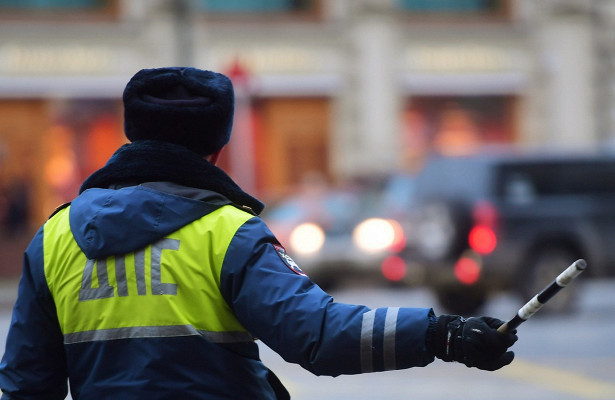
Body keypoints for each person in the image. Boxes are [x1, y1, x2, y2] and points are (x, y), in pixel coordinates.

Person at [0, 67, 517, 400]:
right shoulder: (228, 234)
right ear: (217, 147)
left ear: (133, 133)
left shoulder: (55, 238)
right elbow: (321, 337)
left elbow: (24, 386)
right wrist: (441, 334)